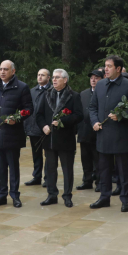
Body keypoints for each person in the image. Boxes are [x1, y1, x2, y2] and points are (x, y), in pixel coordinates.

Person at [88, 55, 128, 212]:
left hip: (121, 134)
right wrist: (94, 122)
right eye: (105, 66)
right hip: (103, 134)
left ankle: (125, 199)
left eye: (109, 66)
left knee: (123, 170)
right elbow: (92, 107)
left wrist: (121, 115)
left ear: (118, 69)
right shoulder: (100, 84)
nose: (105, 69)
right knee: (104, 169)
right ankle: (104, 197)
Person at [36, 69, 84, 207]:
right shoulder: (46, 94)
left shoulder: (73, 96)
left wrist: (63, 121)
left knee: (67, 170)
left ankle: (67, 196)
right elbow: (38, 114)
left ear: (65, 80)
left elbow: (79, 115)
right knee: (50, 169)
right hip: (49, 138)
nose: (54, 80)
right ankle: (51, 195)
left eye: (57, 77)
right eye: (53, 78)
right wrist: (43, 126)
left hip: (65, 139)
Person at [0, 60, 33, 208]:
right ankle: (1, 195)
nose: (2, 72)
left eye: (6, 69)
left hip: (12, 135)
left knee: (13, 168)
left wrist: (17, 118)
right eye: (0, 69)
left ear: (13, 71)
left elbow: (28, 109)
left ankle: (15, 195)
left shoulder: (21, 87)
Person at [23, 69, 51, 186]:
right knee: (36, 154)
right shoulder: (32, 91)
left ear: (48, 78)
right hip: (33, 127)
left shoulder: (52, 91)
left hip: (46, 128)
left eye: (42, 75)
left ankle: (48, 178)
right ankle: (37, 176)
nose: (39, 77)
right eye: (38, 75)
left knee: (49, 155)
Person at [76, 69, 103, 191]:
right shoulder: (83, 93)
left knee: (98, 159)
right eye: (91, 78)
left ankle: (99, 182)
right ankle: (87, 181)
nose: (93, 80)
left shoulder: (103, 93)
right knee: (85, 158)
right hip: (84, 131)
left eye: (96, 78)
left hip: (97, 132)